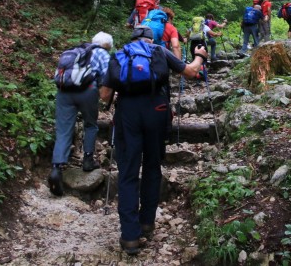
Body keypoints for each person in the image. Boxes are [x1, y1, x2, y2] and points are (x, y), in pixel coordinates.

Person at [98, 26, 208, 255]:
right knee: (151, 167)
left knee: (128, 172)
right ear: (151, 39)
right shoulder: (159, 51)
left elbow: (105, 96)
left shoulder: (120, 55)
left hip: (127, 114)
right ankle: (147, 223)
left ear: (132, 39)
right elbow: (189, 72)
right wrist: (200, 56)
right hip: (156, 110)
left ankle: (129, 237)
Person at [48, 31, 114, 197]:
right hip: (87, 91)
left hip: (64, 92)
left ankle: (57, 168)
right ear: (108, 45)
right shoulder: (103, 54)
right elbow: (107, 78)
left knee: (63, 130)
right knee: (90, 124)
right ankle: (87, 160)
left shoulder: (77, 50)